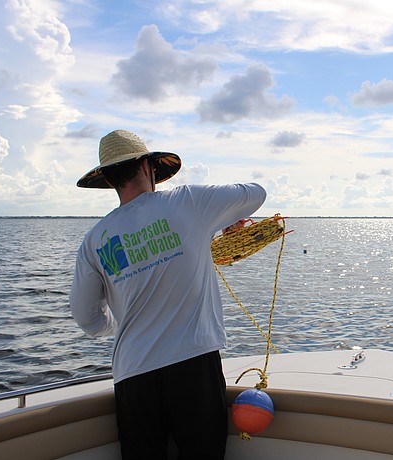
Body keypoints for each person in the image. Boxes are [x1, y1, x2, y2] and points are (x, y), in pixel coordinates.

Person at [69, 129, 266, 459]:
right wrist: (222, 219)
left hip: (132, 375)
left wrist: (124, 324)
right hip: (193, 365)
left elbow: (86, 319)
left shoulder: (95, 240)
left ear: (109, 180)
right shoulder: (188, 201)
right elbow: (255, 193)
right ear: (148, 167)